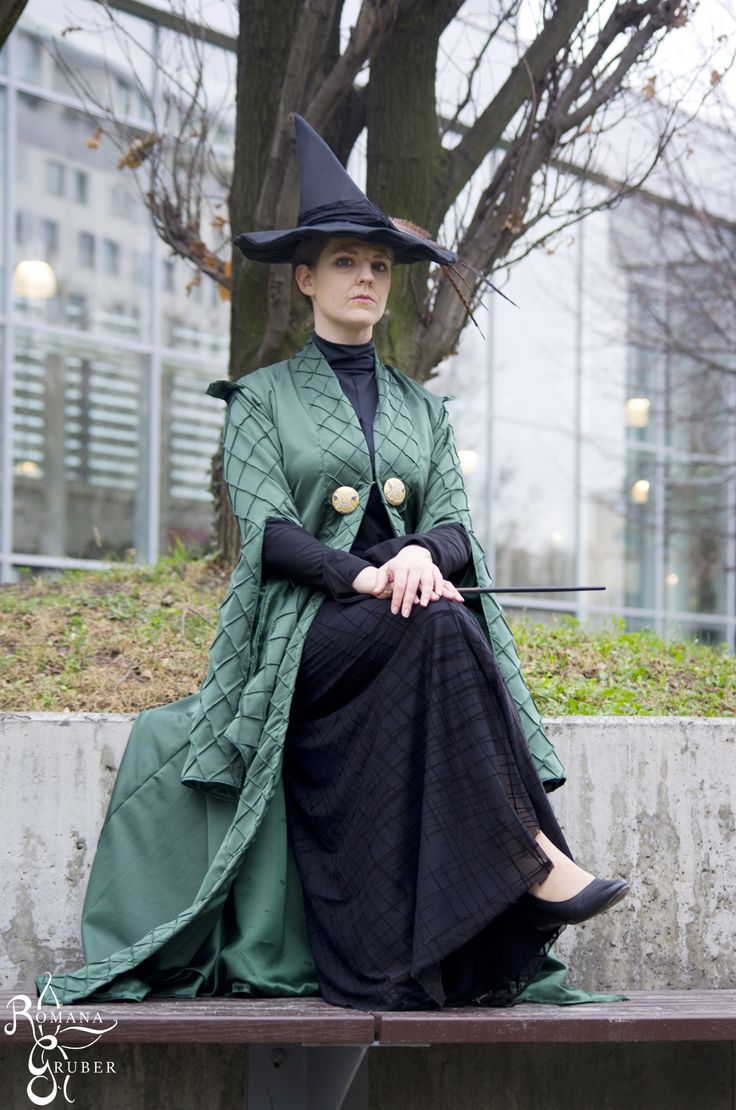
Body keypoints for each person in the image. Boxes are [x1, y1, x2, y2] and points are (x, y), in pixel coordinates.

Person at [36, 115, 627, 1012]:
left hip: (406, 628)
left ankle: (498, 891)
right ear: (306, 278)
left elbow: (461, 529)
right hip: (306, 638)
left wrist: (423, 555)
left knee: (440, 619)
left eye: (379, 266)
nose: (366, 279)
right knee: (435, 618)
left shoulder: (422, 410)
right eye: (347, 263)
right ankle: (538, 858)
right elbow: (267, 531)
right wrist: (370, 574)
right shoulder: (260, 400)